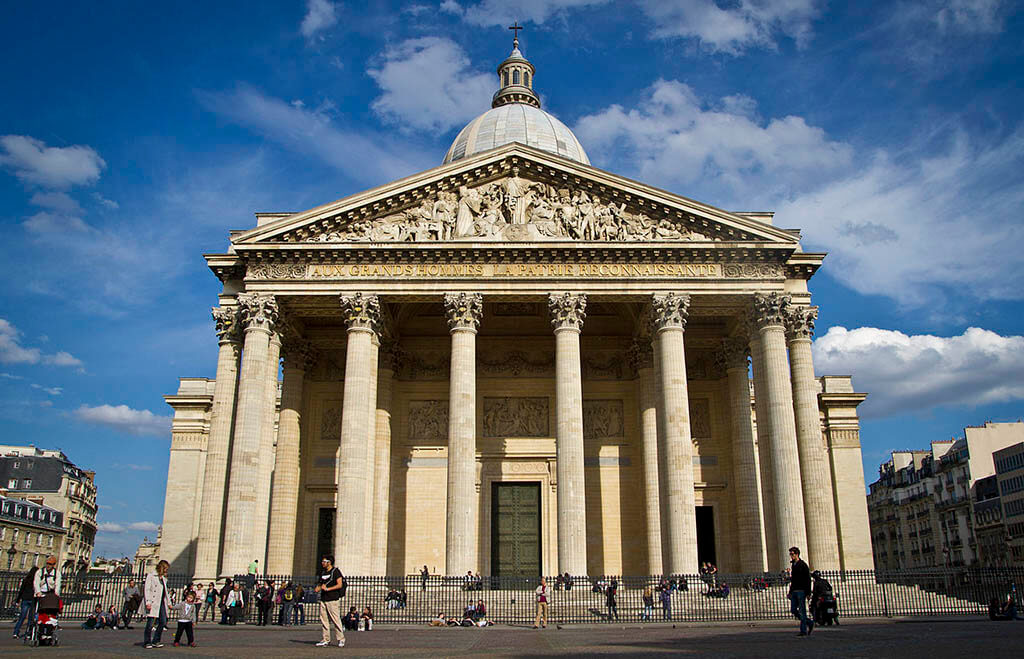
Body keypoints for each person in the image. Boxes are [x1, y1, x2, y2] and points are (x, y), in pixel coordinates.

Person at [315, 554, 346, 648]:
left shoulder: (336, 571)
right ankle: (325, 639)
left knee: (336, 620)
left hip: (333, 599)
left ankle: (341, 639)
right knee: (324, 620)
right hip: (323, 599)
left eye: (324, 561)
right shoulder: (323, 572)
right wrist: (318, 588)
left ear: (329, 562)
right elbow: (320, 584)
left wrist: (328, 589)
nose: (322, 563)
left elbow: (339, 584)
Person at [143, 559, 173, 649]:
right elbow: (147, 589)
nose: (166, 570)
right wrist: (147, 601)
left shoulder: (163, 578)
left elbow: (166, 592)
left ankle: (156, 640)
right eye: (165, 568)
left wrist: (169, 603)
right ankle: (147, 641)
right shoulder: (151, 576)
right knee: (150, 623)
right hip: (153, 602)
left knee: (163, 622)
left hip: (161, 603)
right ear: (162, 567)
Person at [788, 546, 813, 636]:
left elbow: (808, 579)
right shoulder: (793, 565)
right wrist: (790, 591)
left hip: (801, 591)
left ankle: (803, 630)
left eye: (792, 554)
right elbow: (793, 580)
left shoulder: (803, 565)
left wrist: (808, 593)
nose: (791, 556)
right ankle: (809, 622)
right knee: (793, 610)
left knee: (802, 611)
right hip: (794, 591)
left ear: (797, 554)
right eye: (790, 554)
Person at [12, 565, 38, 639]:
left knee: (22, 617)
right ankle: (29, 633)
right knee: (30, 618)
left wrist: (17, 600)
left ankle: (16, 632)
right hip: (32, 599)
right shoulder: (35, 581)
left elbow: (21, 591)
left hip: (25, 599)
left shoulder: (25, 580)